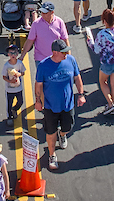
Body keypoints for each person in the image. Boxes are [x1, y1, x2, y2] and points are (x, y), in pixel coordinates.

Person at [34, 39, 85, 171]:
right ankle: (52, 155)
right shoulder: (43, 66)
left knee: (68, 127)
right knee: (50, 132)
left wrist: (81, 94)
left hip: (68, 105)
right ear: (55, 52)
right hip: (51, 107)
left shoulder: (71, 60)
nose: (66, 54)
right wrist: (38, 101)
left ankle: (62, 135)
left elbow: (77, 78)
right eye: (63, 52)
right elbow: (38, 85)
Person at [1, 44, 27, 123]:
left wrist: (19, 74)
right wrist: (10, 81)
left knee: (20, 101)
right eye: (11, 53)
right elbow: (4, 76)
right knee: (9, 103)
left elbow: (23, 72)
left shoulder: (19, 63)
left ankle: (14, 109)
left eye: (14, 53)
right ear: (8, 54)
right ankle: (9, 117)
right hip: (9, 89)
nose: (13, 55)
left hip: (18, 87)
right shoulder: (6, 65)